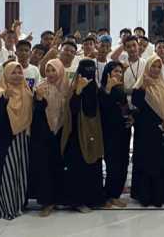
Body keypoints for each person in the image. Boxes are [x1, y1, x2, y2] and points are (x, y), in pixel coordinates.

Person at [0, 62, 32, 220]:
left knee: (20, 171)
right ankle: (4, 206)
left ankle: (19, 203)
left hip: (22, 139)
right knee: (7, 171)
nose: (17, 76)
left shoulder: (27, 91)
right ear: (6, 74)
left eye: (19, 73)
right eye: (13, 73)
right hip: (6, 140)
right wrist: (4, 99)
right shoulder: (0, 92)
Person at [131, 55, 164, 207]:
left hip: (163, 131)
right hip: (146, 132)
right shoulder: (140, 85)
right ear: (147, 68)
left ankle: (160, 196)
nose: (156, 70)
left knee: (162, 163)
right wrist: (144, 86)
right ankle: (145, 196)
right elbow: (136, 103)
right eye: (153, 66)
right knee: (147, 163)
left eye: (158, 67)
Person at [29, 59, 71, 216]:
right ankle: (47, 201)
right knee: (45, 168)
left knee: (60, 168)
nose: (51, 73)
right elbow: (36, 113)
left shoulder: (67, 87)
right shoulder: (40, 88)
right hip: (45, 134)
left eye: (54, 70)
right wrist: (39, 99)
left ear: (60, 70)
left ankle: (60, 198)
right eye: (48, 70)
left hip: (63, 132)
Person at [63, 59, 105, 212]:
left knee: (93, 165)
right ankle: (78, 202)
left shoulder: (94, 87)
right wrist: (78, 92)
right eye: (85, 70)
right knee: (79, 168)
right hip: (77, 135)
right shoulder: (74, 87)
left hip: (94, 133)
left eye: (91, 70)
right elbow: (71, 111)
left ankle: (92, 200)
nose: (88, 73)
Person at [99, 61, 130, 208]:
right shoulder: (103, 89)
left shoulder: (120, 88)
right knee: (112, 165)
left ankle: (115, 194)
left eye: (120, 72)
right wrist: (108, 88)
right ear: (108, 73)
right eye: (115, 71)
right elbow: (102, 107)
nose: (118, 74)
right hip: (110, 133)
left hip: (123, 131)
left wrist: (130, 117)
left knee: (123, 163)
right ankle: (108, 196)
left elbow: (124, 108)